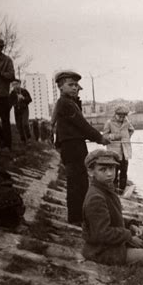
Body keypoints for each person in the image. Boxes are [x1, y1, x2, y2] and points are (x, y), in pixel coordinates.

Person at [82, 149, 143, 280]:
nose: (109, 174)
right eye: (103, 169)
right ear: (91, 172)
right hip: (102, 251)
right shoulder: (96, 197)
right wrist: (128, 236)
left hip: (113, 244)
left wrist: (130, 225)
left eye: (112, 168)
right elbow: (101, 234)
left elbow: (111, 217)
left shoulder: (105, 189)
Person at [54, 71, 110, 225]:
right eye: (70, 85)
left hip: (74, 145)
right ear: (60, 87)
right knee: (76, 184)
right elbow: (82, 125)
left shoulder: (69, 102)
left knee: (80, 182)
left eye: (76, 86)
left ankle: (78, 216)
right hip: (72, 147)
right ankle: (76, 218)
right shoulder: (65, 103)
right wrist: (100, 138)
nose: (75, 88)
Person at [102, 107, 135, 193]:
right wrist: (114, 137)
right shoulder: (109, 123)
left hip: (125, 151)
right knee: (114, 172)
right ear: (115, 115)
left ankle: (122, 190)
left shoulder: (126, 122)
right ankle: (113, 191)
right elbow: (104, 136)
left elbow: (132, 130)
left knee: (124, 172)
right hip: (114, 153)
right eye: (120, 116)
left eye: (123, 116)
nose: (122, 118)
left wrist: (127, 138)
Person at [9, 79, 32, 145]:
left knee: (25, 123)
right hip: (17, 110)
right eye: (14, 85)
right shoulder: (12, 93)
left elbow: (30, 99)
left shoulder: (24, 91)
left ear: (19, 84)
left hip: (24, 109)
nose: (15, 86)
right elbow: (10, 102)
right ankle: (23, 140)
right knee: (19, 126)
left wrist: (23, 98)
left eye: (16, 84)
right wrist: (14, 103)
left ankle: (29, 138)